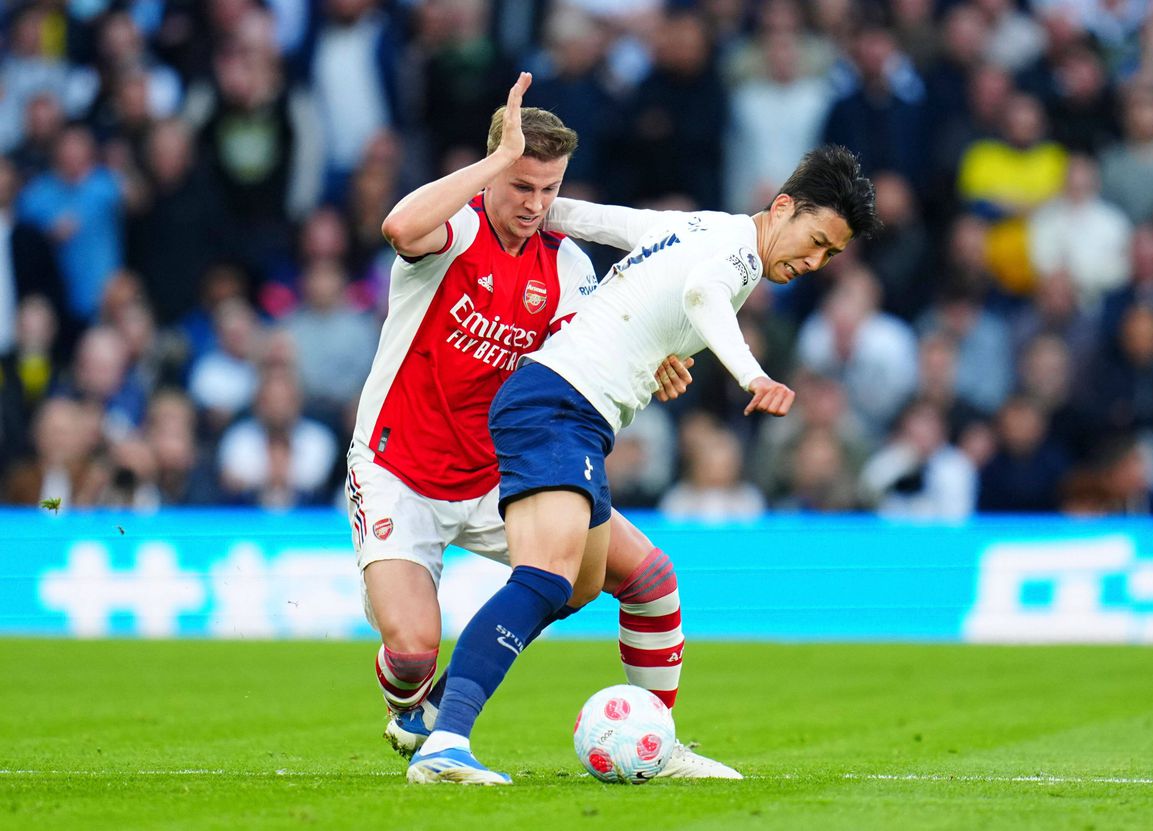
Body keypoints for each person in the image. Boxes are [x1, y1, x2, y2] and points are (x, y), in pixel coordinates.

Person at [406, 144, 880, 784]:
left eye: (830, 255)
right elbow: (703, 296)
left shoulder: (698, 227)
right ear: (784, 207)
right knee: (546, 578)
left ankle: (654, 744)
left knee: (647, 582)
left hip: (572, 414)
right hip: (556, 404)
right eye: (816, 240)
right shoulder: (735, 258)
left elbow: (602, 222)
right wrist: (753, 374)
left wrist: (549, 212)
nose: (814, 261)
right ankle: (443, 742)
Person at [347, 72, 736, 781]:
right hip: (402, 468)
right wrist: (494, 160)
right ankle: (414, 706)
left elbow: (584, 359)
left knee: (643, 578)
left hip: (500, 470)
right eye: (520, 185)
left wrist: (656, 362)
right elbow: (398, 227)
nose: (536, 204)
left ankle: (660, 740)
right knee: (410, 654)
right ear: (494, 168)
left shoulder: (568, 264)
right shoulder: (455, 225)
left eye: (549, 188)